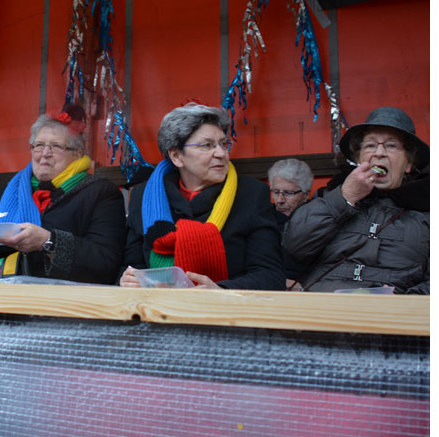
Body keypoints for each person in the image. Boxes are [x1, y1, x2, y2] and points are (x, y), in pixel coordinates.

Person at [120, 102, 285, 290]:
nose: (221, 153)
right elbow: (129, 265)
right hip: (157, 313)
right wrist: (128, 279)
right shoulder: (144, 197)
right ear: (176, 156)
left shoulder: (251, 194)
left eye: (224, 144)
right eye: (207, 145)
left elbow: (271, 275)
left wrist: (221, 290)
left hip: (225, 314)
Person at [0, 104, 126, 284]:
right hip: (5, 299)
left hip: (65, 303)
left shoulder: (101, 193)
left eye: (56, 147)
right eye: (39, 145)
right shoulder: (8, 193)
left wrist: (48, 242)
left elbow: (106, 262)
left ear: (77, 155)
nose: (45, 154)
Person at [283, 107, 429, 294]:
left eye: (391, 146)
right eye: (370, 145)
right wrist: (345, 197)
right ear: (359, 158)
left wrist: (404, 302)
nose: (379, 153)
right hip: (322, 308)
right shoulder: (330, 195)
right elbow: (295, 247)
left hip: (393, 315)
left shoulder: (427, 212)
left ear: (409, 163)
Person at [267, 158, 313, 290]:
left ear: (306, 195)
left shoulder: (317, 221)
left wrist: (303, 287)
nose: (280, 200)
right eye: (276, 192)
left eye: (288, 193)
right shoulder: (263, 218)